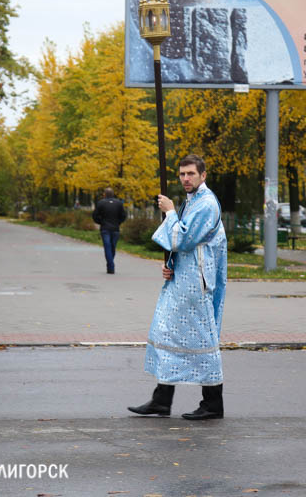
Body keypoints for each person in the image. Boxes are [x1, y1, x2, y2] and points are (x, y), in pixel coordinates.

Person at [128, 154, 227, 420]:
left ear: (203, 176)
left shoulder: (206, 204)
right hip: (183, 279)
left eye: (191, 174)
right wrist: (170, 264)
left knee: (203, 340)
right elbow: (186, 243)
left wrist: (170, 211)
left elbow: (182, 239)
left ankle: (213, 404)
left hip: (197, 284)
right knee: (167, 333)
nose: (186, 179)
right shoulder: (193, 201)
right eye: (182, 174)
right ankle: (161, 400)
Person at [92, 188, 127, 274]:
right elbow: (123, 215)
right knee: (112, 247)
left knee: (107, 247)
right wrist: (118, 222)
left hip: (105, 228)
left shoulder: (101, 203)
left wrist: (100, 222)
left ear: (105, 194)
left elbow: (95, 215)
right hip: (115, 229)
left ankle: (110, 265)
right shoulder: (119, 203)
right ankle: (110, 265)